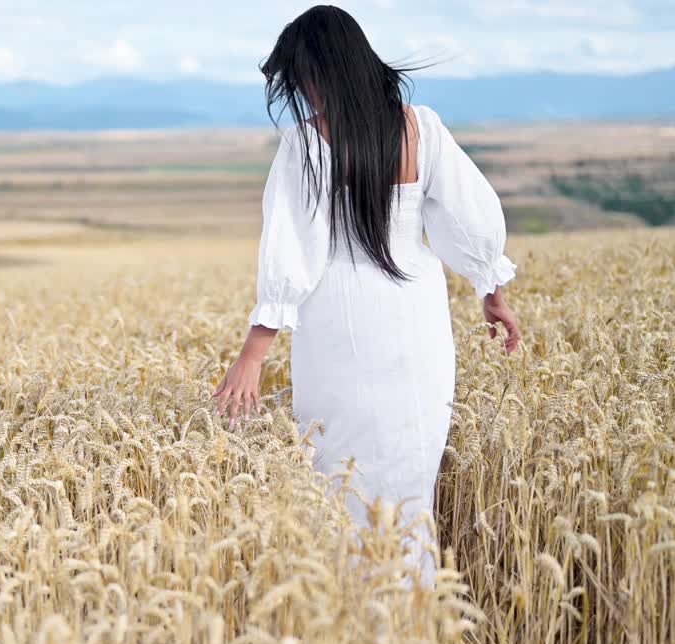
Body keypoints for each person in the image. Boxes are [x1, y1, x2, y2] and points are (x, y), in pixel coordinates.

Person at [212, 5, 522, 589]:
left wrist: (254, 352)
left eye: (300, 76)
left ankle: (347, 619)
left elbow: (292, 253)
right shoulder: (421, 126)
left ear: (320, 71)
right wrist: (491, 289)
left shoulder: (307, 143)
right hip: (417, 317)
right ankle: (415, 609)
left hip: (338, 319)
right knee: (411, 473)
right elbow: (470, 217)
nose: (300, 91)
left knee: (339, 474)